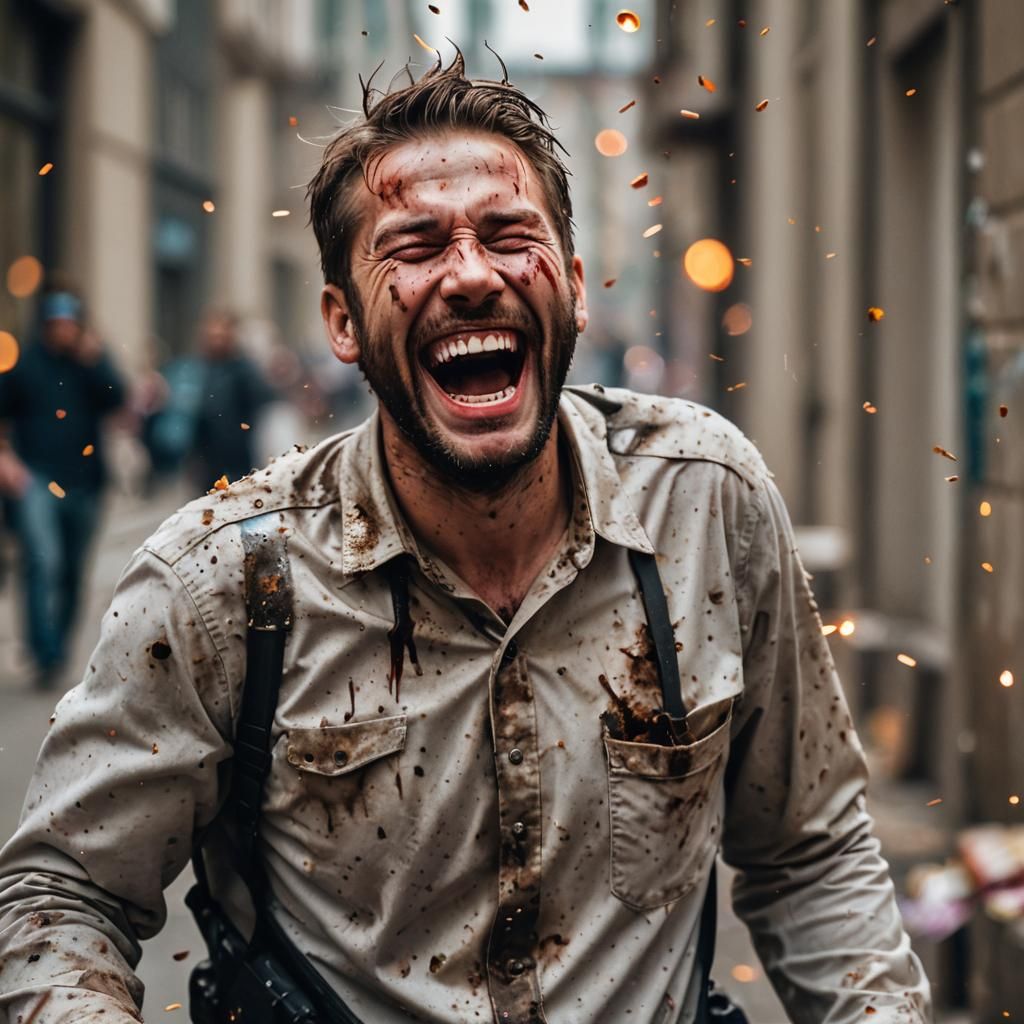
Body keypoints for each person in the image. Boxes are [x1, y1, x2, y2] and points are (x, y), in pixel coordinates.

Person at [0, 55, 930, 1023]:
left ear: (573, 288)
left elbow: (812, 851)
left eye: (509, 235)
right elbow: (61, 896)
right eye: (413, 247)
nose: (474, 274)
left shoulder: (704, 505)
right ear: (343, 322)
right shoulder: (225, 582)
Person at [0, 283, 124, 689]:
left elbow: (119, 400)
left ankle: (59, 649)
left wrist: (98, 360)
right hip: (36, 477)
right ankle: (44, 650)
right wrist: (6, 459)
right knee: (42, 560)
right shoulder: (25, 364)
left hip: (85, 481)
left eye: (68, 324)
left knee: (72, 569)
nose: (62, 330)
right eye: (56, 323)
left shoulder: (88, 363)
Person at [143, 309, 274, 490]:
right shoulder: (193, 368)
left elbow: (261, 403)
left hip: (236, 459)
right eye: (212, 335)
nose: (216, 340)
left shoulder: (244, 370)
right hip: (201, 460)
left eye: (221, 334)